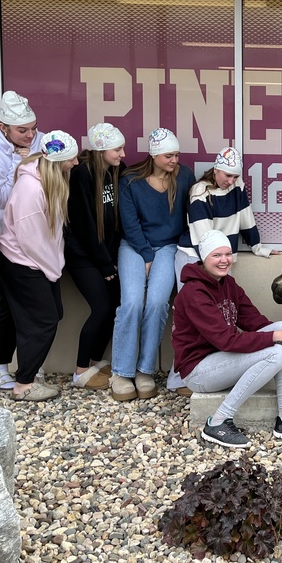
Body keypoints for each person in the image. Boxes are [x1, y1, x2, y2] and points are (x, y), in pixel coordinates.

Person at [172, 229, 282, 448]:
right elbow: (227, 341)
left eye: (228, 254)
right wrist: (276, 337)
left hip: (223, 360)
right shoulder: (193, 293)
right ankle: (218, 422)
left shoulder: (228, 284)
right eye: (216, 255)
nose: (224, 260)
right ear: (204, 258)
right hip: (198, 371)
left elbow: (256, 322)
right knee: (276, 351)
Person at [167, 145, 282, 395]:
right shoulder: (200, 192)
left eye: (235, 176)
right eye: (227, 175)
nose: (231, 180)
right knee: (190, 322)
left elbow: (245, 216)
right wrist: (217, 263)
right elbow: (204, 237)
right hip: (195, 257)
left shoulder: (236, 187)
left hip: (217, 257)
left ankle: (214, 370)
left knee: (221, 315)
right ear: (216, 170)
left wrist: (257, 246)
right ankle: (178, 380)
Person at [111, 128, 194, 402]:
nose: (174, 160)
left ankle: (144, 370)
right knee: (132, 302)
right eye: (169, 155)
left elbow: (192, 215)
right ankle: (121, 372)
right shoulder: (130, 180)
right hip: (134, 246)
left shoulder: (184, 176)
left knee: (158, 303)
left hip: (169, 246)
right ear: (154, 155)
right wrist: (146, 255)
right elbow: (129, 222)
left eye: (177, 155)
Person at [0, 131, 80, 401]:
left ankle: (28, 376)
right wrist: (53, 269)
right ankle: (24, 384)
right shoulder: (31, 189)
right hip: (22, 263)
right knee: (43, 320)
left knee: (48, 316)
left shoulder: (49, 181)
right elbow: (31, 240)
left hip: (37, 262)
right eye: (71, 158)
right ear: (57, 162)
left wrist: (52, 265)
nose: (76, 162)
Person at [0, 91, 44, 392]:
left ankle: (31, 365)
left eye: (33, 128)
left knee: (36, 306)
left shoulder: (39, 141)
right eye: (23, 130)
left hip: (36, 240)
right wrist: (20, 164)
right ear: (3, 127)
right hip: (3, 242)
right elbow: (1, 198)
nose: (31, 135)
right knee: (5, 304)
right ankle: (0, 367)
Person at [64, 123, 127, 390]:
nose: (123, 154)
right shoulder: (83, 174)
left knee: (114, 307)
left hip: (105, 255)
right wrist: (104, 264)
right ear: (101, 150)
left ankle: (94, 361)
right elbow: (85, 225)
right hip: (83, 256)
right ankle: (80, 371)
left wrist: (110, 258)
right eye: (117, 149)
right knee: (101, 308)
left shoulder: (116, 170)